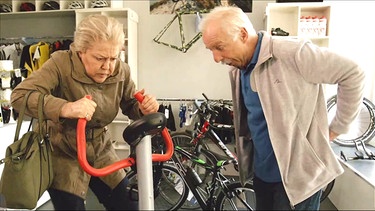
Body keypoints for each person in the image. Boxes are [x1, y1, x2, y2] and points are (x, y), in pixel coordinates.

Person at [198, 6, 365, 210]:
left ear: (242, 34)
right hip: (263, 175)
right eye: (211, 50)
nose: (216, 58)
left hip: (299, 179)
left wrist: (336, 129)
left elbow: (353, 73)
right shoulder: (238, 68)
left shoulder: (292, 52)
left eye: (219, 47)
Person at [10, 14, 160, 210]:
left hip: (100, 149)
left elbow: (131, 104)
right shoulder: (60, 63)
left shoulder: (121, 70)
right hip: (62, 151)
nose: (107, 67)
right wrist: (65, 107)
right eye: (99, 58)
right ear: (80, 51)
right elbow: (20, 96)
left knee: (128, 205)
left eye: (113, 58)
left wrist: (143, 108)